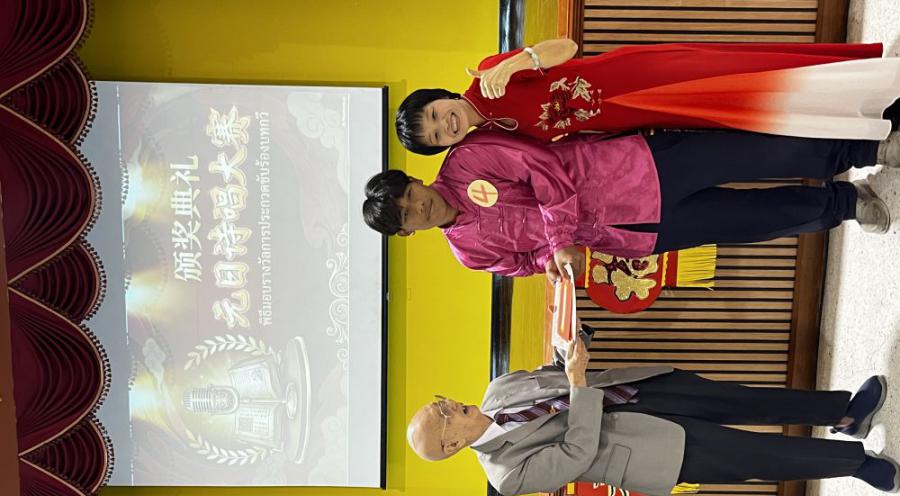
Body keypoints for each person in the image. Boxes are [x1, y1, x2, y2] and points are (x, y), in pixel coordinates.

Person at [405, 327, 897, 496]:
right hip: (644, 449)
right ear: (452, 445)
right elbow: (576, 453)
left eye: (439, 401)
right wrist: (577, 383)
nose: (449, 404)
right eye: (443, 415)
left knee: (743, 398)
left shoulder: (498, 389)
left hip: (637, 391)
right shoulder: (505, 475)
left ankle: (843, 413)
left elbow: (555, 375)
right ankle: (856, 465)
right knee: (759, 455)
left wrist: (572, 346)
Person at [363, 129, 899, 281]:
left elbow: (540, 167)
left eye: (409, 194)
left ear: (413, 179)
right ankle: (844, 203)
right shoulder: (469, 253)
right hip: (631, 234)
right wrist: (550, 262)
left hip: (633, 168)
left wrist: (557, 240)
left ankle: (862, 150)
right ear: (406, 233)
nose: (418, 206)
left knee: (756, 154)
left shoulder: (465, 160)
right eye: (407, 214)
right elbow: (523, 263)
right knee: (751, 220)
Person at [395, 38, 900, 155]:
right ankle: (864, 110)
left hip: (635, 73)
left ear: (441, 97)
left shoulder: (490, 74)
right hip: (635, 116)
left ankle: (874, 82)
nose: (445, 125)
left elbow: (567, 48)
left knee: (744, 73)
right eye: (436, 135)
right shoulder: (491, 143)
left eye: (435, 114)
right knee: (740, 111)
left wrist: (515, 62)